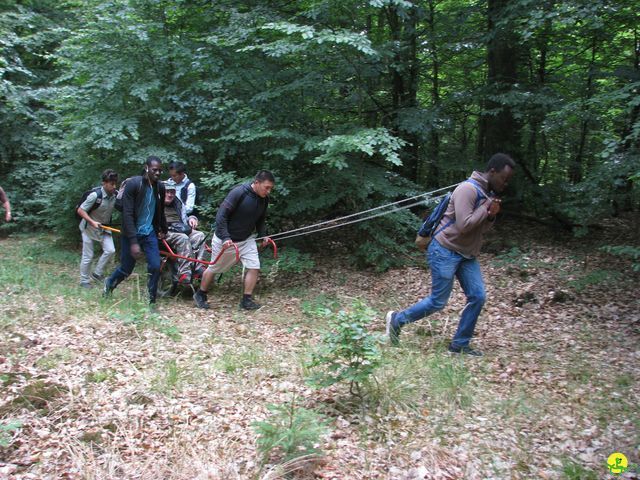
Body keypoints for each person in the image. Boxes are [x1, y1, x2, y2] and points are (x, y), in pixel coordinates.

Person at [385, 153, 516, 356]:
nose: (505, 183)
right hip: (444, 249)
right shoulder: (467, 189)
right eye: (504, 178)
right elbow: (464, 225)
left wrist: (491, 215)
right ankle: (397, 320)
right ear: (492, 171)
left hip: (466, 254)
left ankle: (460, 345)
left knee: (478, 296)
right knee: (438, 301)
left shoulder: (485, 194)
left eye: (508, 180)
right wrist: (485, 208)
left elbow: (481, 229)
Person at [193, 170, 275, 311]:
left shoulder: (264, 199)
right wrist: (225, 237)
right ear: (256, 183)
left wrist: (263, 235)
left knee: (254, 266)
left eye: (270, 188)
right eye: (266, 187)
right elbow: (221, 216)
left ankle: (246, 300)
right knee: (215, 268)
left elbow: (261, 219)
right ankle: (200, 294)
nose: (268, 191)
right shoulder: (239, 193)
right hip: (225, 239)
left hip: (246, 239)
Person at [103, 156, 167, 306]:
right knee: (126, 268)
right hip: (131, 232)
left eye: (160, 170)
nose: (157, 173)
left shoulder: (160, 187)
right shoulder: (134, 184)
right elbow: (127, 214)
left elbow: (160, 210)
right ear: (146, 168)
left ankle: (151, 301)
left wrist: (163, 228)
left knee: (155, 266)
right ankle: (109, 284)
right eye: (154, 170)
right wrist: (133, 241)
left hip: (149, 232)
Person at [76, 169, 118, 288]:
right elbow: (80, 210)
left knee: (110, 250)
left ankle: (97, 273)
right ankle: (84, 281)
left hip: (105, 227)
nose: (114, 186)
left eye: (115, 183)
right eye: (111, 184)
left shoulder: (115, 195)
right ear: (104, 183)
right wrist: (92, 221)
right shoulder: (95, 195)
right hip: (88, 227)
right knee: (88, 256)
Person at [163, 182, 207, 285]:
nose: (170, 194)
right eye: (167, 192)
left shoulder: (178, 203)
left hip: (179, 228)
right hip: (164, 231)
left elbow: (184, 219)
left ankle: (197, 267)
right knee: (183, 238)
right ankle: (185, 273)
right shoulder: (154, 203)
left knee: (199, 235)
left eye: (172, 192)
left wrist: (192, 218)